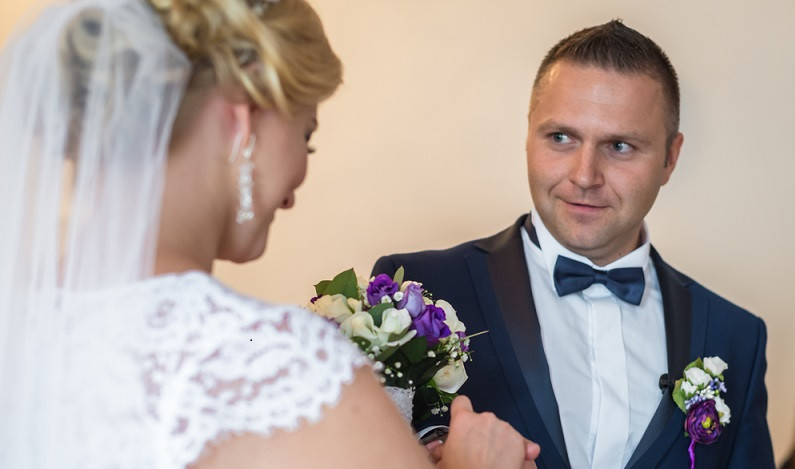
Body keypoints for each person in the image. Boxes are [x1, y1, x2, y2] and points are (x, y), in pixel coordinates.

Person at [0, 0, 540, 467]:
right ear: (243, 120)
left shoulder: (21, 331)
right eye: (306, 137)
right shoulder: (276, 370)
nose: (294, 188)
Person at [373, 20, 773, 468]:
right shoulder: (415, 295)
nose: (584, 176)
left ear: (670, 157)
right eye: (560, 137)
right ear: (528, 134)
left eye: (620, 145)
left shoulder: (736, 336)